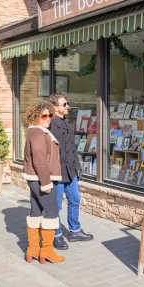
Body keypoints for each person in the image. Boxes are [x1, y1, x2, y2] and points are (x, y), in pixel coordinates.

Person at [49, 94, 93, 250]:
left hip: (71, 170)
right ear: (55, 107)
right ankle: (56, 235)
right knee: (56, 206)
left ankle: (74, 231)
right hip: (57, 172)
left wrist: (78, 166)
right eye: (64, 104)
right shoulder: (49, 125)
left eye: (67, 103)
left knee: (74, 200)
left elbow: (72, 147)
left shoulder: (68, 123)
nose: (67, 106)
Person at [23, 101, 64, 264]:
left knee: (36, 212)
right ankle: (46, 251)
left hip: (34, 178)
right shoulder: (39, 134)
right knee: (52, 212)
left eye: (50, 115)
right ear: (35, 117)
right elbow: (40, 160)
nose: (48, 119)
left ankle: (33, 250)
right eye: (44, 116)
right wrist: (46, 184)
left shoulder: (36, 133)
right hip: (41, 179)